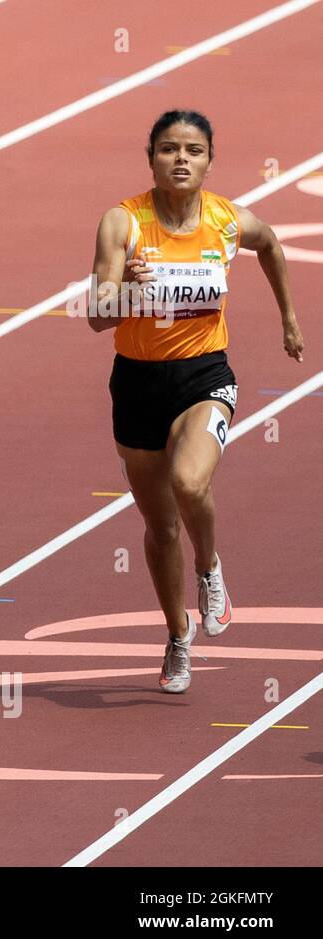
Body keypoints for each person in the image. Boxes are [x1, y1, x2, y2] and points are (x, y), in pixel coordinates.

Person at [88, 109, 304, 693]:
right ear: (150, 157)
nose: (180, 158)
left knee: (190, 483)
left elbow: (272, 244)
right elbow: (95, 317)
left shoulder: (228, 220)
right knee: (160, 530)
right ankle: (177, 637)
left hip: (205, 375)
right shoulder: (122, 222)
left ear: (210, 160)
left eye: (193, 150)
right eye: (167, 149)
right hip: (136, 383)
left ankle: (210, 568)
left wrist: (288, 318)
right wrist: (127, 288)